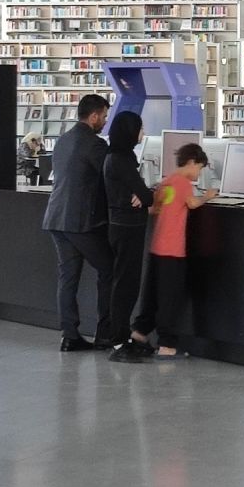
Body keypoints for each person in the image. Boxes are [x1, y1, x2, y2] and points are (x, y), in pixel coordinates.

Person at [121, 142, 217, 360]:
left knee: (153, 294)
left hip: (157, 246)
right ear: (192, 162)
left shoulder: (166, 182)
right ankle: (167, 344)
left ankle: (139, 333)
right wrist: (208, 196)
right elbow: (192, 204)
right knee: (170, 298)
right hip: (173, 249)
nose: (198, 174)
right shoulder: (183, 183)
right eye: (199, 168)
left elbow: (154, 209)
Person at [40, 94, 112, 352]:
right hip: (80, 220)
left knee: (68, 277)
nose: (104, 121)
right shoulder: (94, 144)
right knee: (109, 270)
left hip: (56, 217)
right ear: (93, 116)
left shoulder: (62, 140)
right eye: (103, 116)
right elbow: (111, 176)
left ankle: (69, 334)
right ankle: (106, 333)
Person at [104, 111, 154, 356]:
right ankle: (119, 340)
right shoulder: (121, 160)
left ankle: (119, 337)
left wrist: (141, 194)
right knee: (126, 285)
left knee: (124, 283)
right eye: (140, 128)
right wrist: (143, 194)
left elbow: (141, 195)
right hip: (128, 228)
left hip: (121, 225)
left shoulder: (116, 157)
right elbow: (146, 196)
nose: (142, 133)